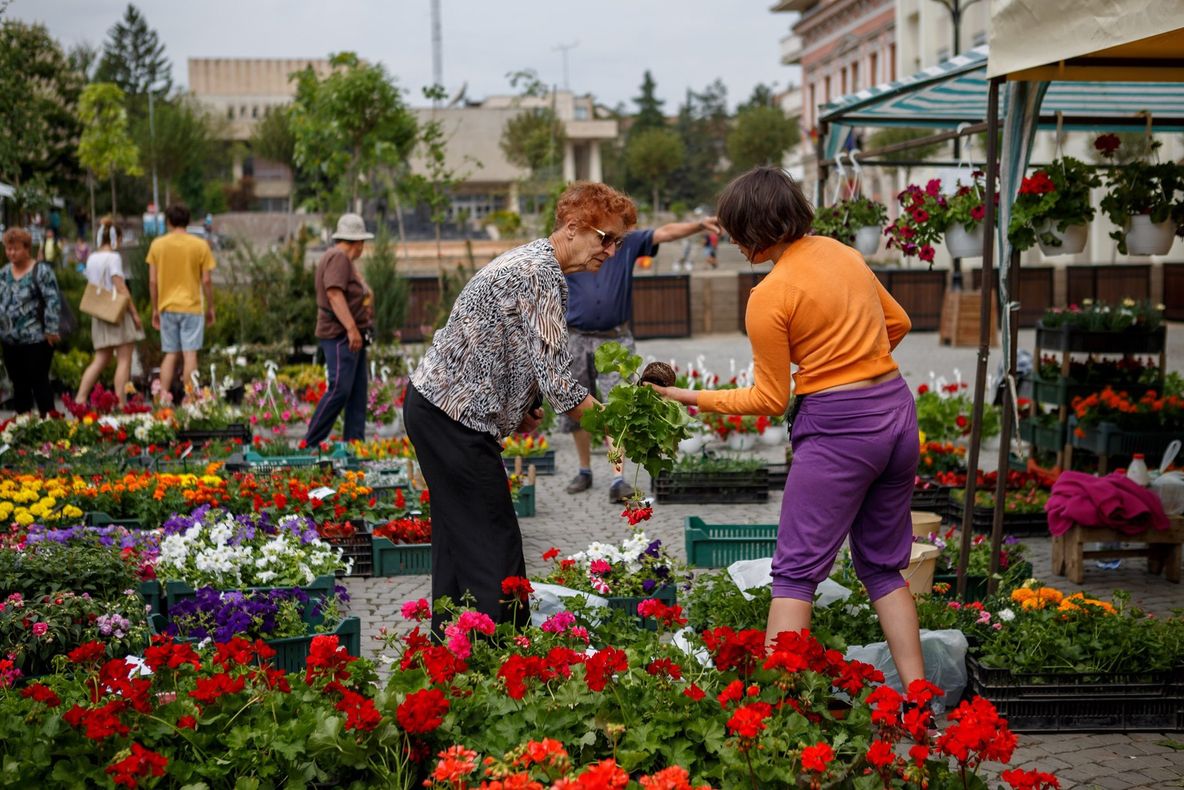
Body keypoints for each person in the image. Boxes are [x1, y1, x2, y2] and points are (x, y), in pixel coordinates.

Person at [649, 166, 925, 692]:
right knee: (884, 568)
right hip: (896, 412)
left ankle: (777, 724)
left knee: (795, 574)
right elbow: (900, 324)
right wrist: (857, 360)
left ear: (753, 229)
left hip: (839, 430)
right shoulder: (844, 253)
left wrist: (688, 396)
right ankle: (919, 701)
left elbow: (769, 398)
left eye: (734, 231)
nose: (731, 241)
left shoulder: (770, 295)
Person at [405, 181, 635, 635]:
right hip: (451, 419)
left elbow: (523, 350)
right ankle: (504, 657)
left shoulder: (541, 266)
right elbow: (562, 387)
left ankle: (452, 651)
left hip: (438, 411)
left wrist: (526, 403)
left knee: (458, 540)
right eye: (605, 238)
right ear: (573, 228)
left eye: (618, 242)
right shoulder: (539, 273)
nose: (610, 251)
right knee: (496, 544)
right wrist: (615, 426)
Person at [562, 214, 722, 502]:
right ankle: (584, 470)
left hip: (615, 336)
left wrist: (698, 225)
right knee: (576, 404)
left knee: (618, 405)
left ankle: (617, 478)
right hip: (575, 336)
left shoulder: (627, 243)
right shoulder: (574, 244)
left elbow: (666, 232)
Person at [303, 213, 375, 446]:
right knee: (340, 389)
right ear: (358, 242)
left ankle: (354, 446)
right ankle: (310, 442)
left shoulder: (343, 261)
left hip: (352, 336)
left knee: (356, 393)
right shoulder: (338, 258)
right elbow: (334, 294)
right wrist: (352, 329)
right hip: (341, 335)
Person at [147, 203, 216, 403]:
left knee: (170, 354)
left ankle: (162, 399)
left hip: (167, 307)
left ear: (168, 221)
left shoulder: (157, 245)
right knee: (190, 354)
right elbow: (207, 280)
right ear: (187, 221)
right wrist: (210, 307)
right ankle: (190, 399)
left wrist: (155, 308)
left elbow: (152, 281)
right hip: (192, 307)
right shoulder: (200, 245)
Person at [75, 219, 145, 407]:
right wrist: (135, 313)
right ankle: (121, 403)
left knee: (100, 359)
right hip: (116, 313)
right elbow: (119, 285)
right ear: (117, 238)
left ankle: (80, 398)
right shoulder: (114, 258)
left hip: (98, 314)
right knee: (124, 359)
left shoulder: (91, 258)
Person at [0, 227, 63, 415]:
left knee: (40, 383)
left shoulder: (42, 271)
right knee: (19, 386)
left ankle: (50, 426)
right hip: (10, 340)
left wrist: (51, 330)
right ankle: (23, 427)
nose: (11, 253)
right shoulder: (3, 273)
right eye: (8, 249)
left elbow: (53, 301)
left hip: (37, 340)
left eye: (16, 249)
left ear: (27, 248)